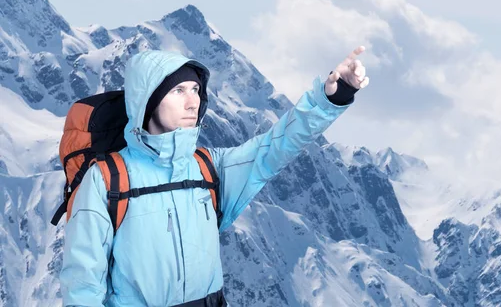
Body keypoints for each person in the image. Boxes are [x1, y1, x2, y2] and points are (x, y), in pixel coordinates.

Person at [59, 46, 369, 306]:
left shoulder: (208, 167)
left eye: (195, 89)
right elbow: (83, 282)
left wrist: (332, 98)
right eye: (178, 90)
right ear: (148, 99)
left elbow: (276, 146)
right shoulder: (107, 179)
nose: (192, 100)